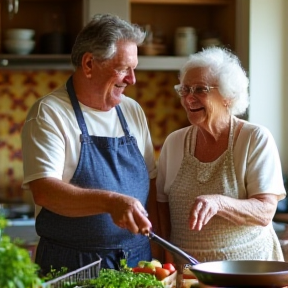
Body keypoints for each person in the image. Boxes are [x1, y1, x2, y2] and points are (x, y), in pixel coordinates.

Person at [21, 14, 159, 275]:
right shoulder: (49, 113)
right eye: (123, 68)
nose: (132, 79)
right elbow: (45, 191)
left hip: (139, 264)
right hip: (72, 266)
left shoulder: (133, 111)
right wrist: (111, 202)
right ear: (88, 64)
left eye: (134, 68)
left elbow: (151, 185)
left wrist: (161, 254)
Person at [156, 46, 286, 263]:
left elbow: (265, 211)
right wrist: (165, 256)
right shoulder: (174, 143)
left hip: (246, 270)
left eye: (200, 89)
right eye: (185, 90)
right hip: (187, 273)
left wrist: (219, 203)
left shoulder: (255, 139)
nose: (189, 99)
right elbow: (161, 207)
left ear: (228, 96)